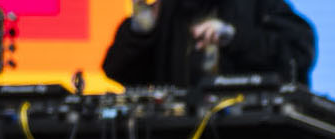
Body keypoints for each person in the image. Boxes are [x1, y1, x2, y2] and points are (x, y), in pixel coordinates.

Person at [103, 0, 316, 89]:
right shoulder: (167, 10)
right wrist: (140, 29)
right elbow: (117, 69)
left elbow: (299, 52)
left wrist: (234, 37)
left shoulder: (256, 4)